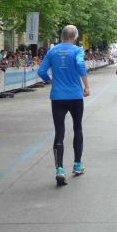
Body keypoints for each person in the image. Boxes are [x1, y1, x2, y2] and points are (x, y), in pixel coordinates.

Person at [37, 25, 90, 186]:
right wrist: (86, 86)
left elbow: (41, 71)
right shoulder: (77, 50)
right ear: (75, 37)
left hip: (58, 96)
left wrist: (50, 81)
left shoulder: (52, 51)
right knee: (77, 128)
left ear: (62, 36)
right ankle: (77, 164)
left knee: (59, 132)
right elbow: (80, 65)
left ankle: (60, 169)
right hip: (75, 96)